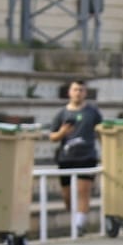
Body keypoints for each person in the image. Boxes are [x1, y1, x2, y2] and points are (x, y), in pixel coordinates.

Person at [47, 80, 103, 236]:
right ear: (69, 92)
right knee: (67, 194)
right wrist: (63, 131)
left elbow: (100, 132)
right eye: (75, 89)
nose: (78, 93)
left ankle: (80, 222)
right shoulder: (62, 114)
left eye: (81, 90)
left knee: (83, 191)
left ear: (85, 93)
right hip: (66, 157)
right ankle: (74, 215)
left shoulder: (92, 112)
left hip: (87, 156)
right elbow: (52, 136)